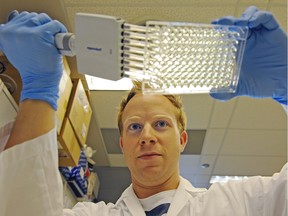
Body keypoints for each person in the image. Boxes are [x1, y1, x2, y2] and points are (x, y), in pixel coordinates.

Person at [0, 5, 287, 216]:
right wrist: (38, 91)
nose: (147, 136)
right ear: (123, 144)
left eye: (161, 124)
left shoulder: (241, 204)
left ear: (182, 139)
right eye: (135, 127)